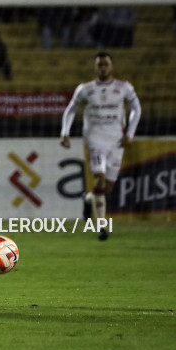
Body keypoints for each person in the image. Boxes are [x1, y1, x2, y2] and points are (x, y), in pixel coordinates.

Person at [60, 52, 141, 240]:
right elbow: (70, 109)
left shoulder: (124, 87)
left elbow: (137, 108)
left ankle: (88, 199)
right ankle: (102, 227)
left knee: (107, 187)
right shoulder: (85, 89)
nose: (103, 67)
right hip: (94, 140)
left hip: (116, 142)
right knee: (99, 178)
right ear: (95, 67)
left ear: (111, 66)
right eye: (100, 65)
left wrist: (130, 134)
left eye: (106, 64)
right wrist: (65, 132)